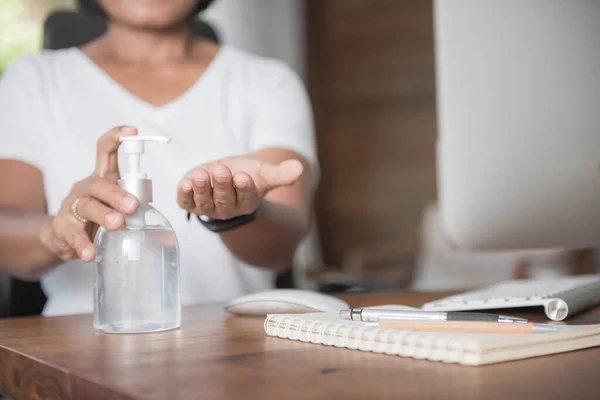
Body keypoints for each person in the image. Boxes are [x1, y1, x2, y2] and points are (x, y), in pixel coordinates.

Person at [0, 0, 318, 316]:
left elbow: (281, 247)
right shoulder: (32, 81)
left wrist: (237, 212)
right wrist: (54, 233)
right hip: (77, 347)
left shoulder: (266, 83)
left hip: (234, 342)